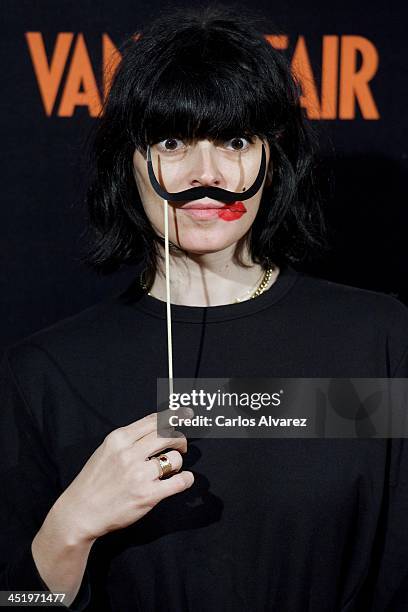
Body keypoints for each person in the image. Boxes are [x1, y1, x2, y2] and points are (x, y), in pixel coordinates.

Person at [1, 5, 408, 611]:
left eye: (236, 140)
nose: (207, 174)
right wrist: (71, 526)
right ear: (128, 163)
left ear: (275, 158)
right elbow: (18, 603)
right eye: (172, 142)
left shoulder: (374, 340)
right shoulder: (47, 373)